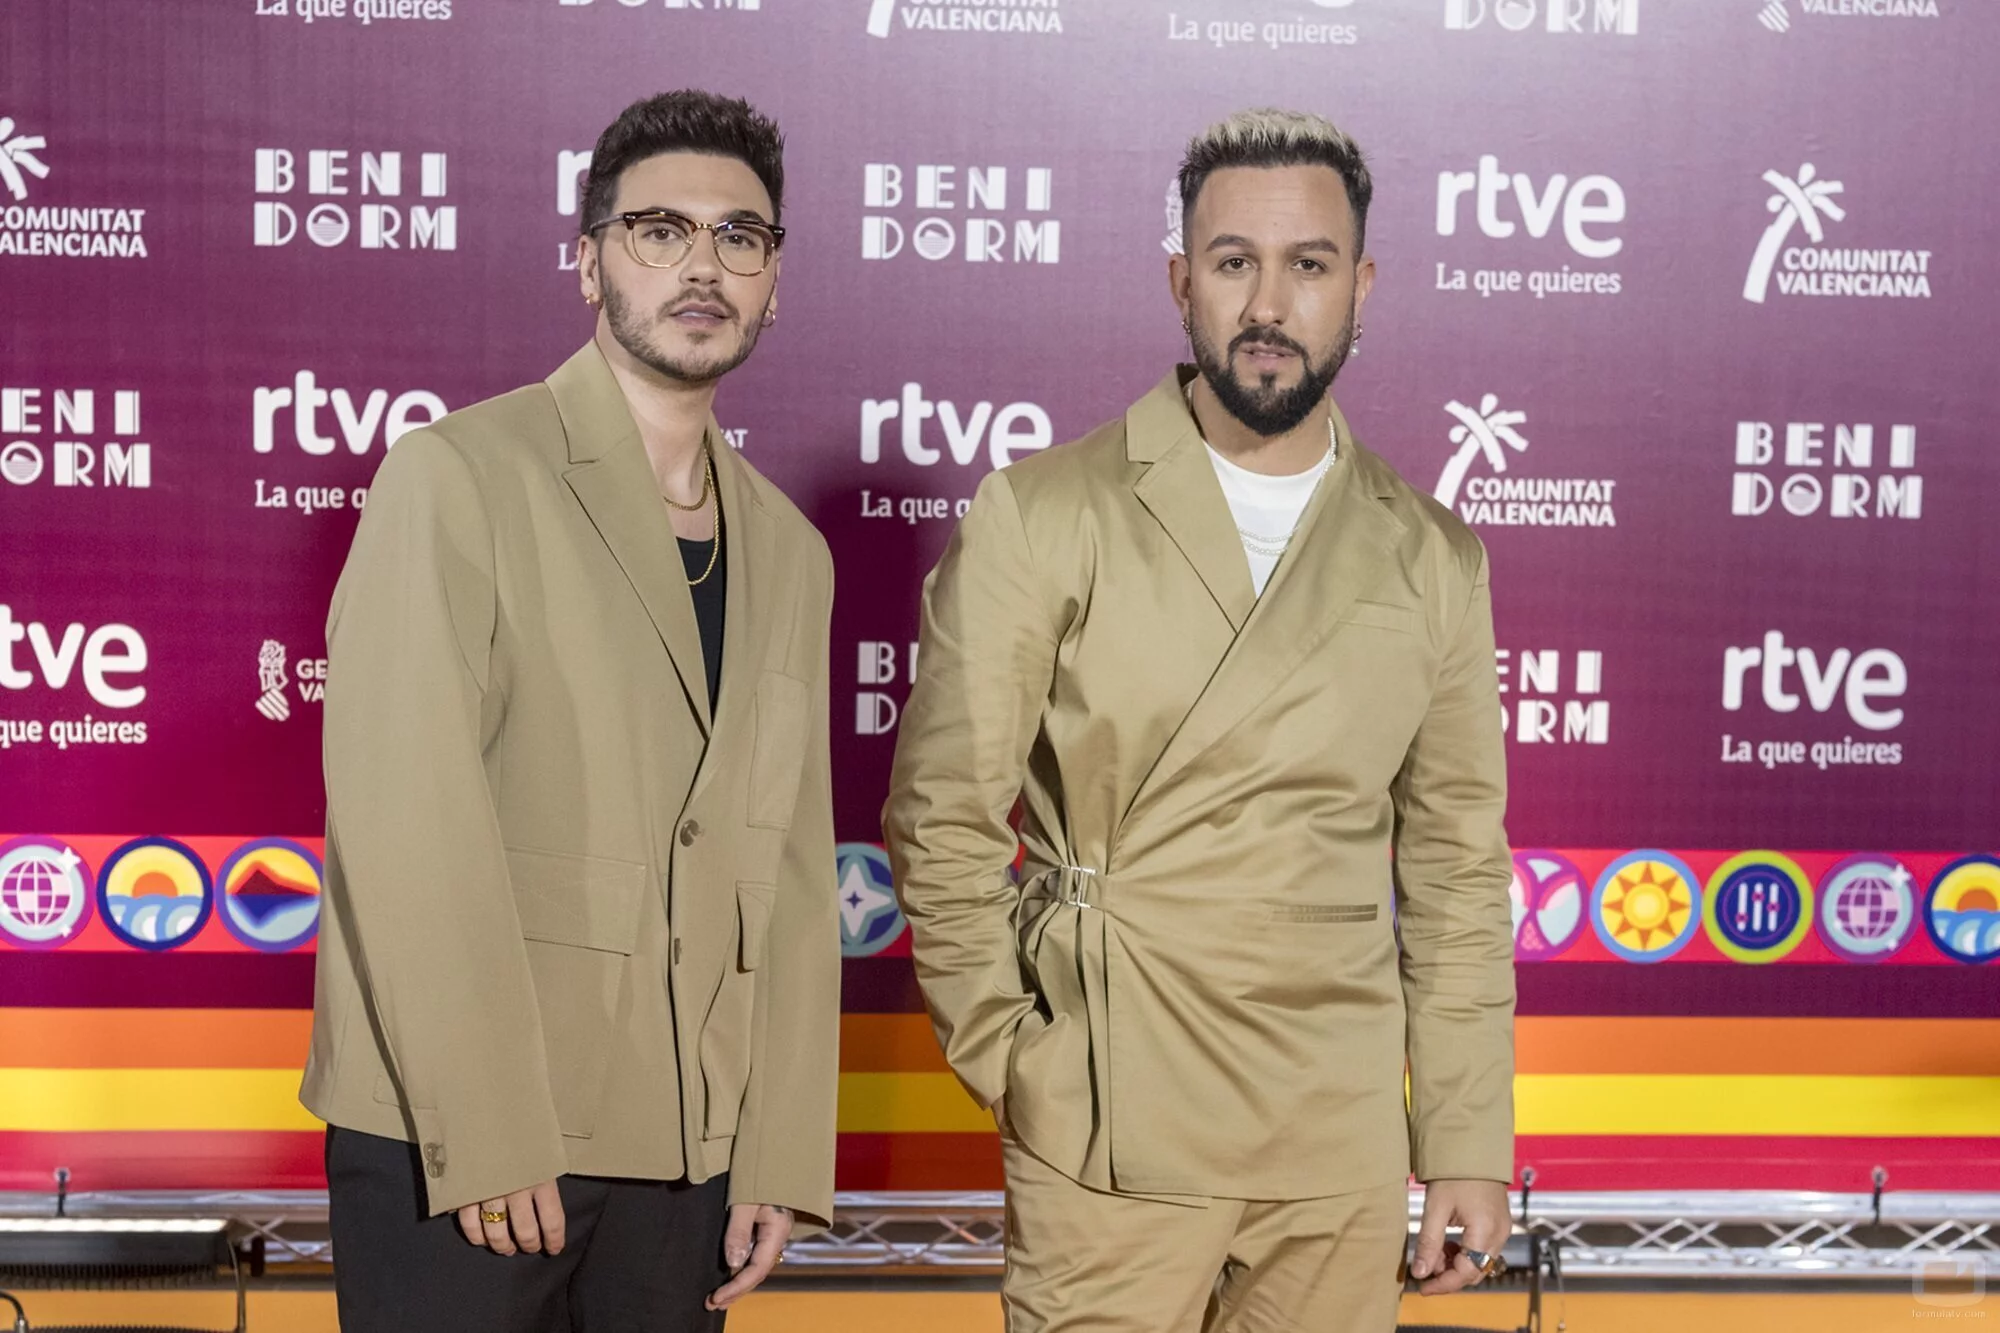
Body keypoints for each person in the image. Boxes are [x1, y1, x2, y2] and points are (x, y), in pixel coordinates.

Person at [883, 108, 1516, 1331]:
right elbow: (940, 814)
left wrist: (1463, 1139)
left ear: (1360, 289)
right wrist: (1016, 1062)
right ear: (1182, 282)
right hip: (1109, 1119)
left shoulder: (1433, 555)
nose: (1267, 303)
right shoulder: (1044, 512)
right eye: (1233, 262)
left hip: (1334, 1144)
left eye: (1308, 264)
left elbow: (1453, 870)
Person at [301, 89, 838, 1332]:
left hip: (688, 1154)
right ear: (589, 261)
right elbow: (403, 823)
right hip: (469, 1137)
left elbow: (793, 872)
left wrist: (775, 1147)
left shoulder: (790, 550)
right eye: (659, 230)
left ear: (772, 282)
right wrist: (484, 1124)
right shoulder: (458, 477)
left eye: (738, 237)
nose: (701, 266)